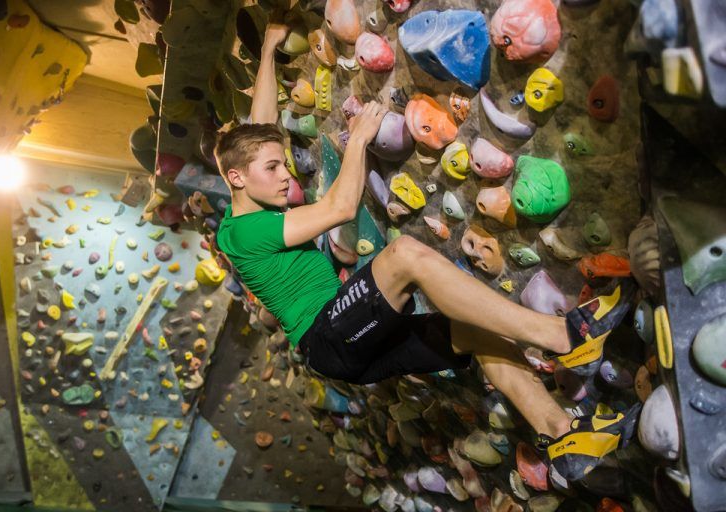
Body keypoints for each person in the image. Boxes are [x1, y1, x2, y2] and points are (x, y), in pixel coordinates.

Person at [213, 12, 640, 483]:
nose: (284, 174)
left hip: (342, 346)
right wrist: (357, 140)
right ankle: (565, 337)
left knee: (475, 333)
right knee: (404, 257)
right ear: (236, 179)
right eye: (273, 168)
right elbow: (339, 208)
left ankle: (564, 437)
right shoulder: (242, 232)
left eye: (280, 166)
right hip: (326, 336)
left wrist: (271, 48)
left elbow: (260, 129)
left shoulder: (249, 195)